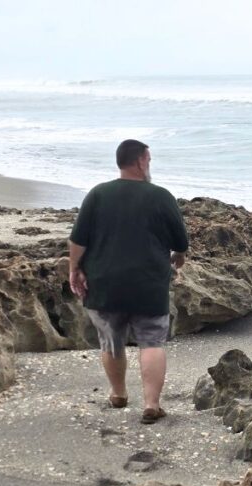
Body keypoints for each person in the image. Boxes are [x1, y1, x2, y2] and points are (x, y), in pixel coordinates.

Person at [68, 139, 189, 424]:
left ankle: (119, 394)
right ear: (141, 161)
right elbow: (180, 241)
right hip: (148, 284)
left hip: (104, 283)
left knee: (111, 342)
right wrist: (180, 255)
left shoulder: (98, 194)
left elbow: (78, 240)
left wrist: (74, 268)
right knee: (152, 342)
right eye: (149, 159)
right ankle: (151, 404)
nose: (149, 164)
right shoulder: (161, 196)